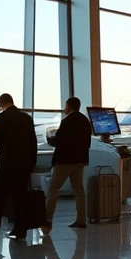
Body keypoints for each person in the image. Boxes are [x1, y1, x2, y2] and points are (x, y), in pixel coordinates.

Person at [0, 94, 38, 244]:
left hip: (7, 165)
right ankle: (20, 230)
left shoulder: (0, 119)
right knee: (20, 198)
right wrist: (32, 163)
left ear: (0, 104)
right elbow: (33, 143)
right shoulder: (26, 118)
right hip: (24, 165)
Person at [43, 96, 92, 235]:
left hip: (65, 161)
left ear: (69, 106)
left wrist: (49, 140)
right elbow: (87, 143)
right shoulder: (85, 121)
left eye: (66, 106)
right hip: (80, 160)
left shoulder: (67, 121)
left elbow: (59, 141)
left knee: (53, 190)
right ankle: (81, 219)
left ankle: (47, 221)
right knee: (79, 190)